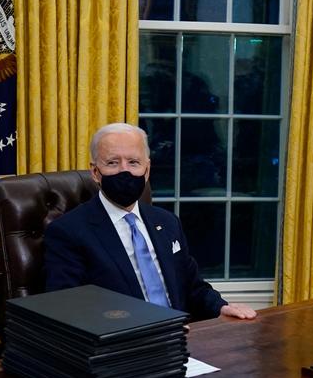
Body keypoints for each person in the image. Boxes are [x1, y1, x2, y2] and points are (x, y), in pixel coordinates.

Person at [44, 123, 258, 322]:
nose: (124, 171)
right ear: (95, 172)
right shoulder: (68, 232)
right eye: (112, 163)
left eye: (133, 162)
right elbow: (69, 310)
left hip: (181, 340)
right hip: (125, 349)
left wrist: (221, 307)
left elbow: (192, 287)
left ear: (146, 171)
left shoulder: (167, 222)